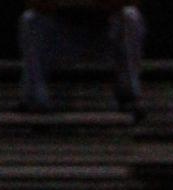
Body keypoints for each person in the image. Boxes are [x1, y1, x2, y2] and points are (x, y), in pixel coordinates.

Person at [18, 1, 146, 120]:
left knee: (131, 16)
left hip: (103, 34)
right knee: (30, 19)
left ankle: (129, 96)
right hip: (63, 36)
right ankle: (35, 99)